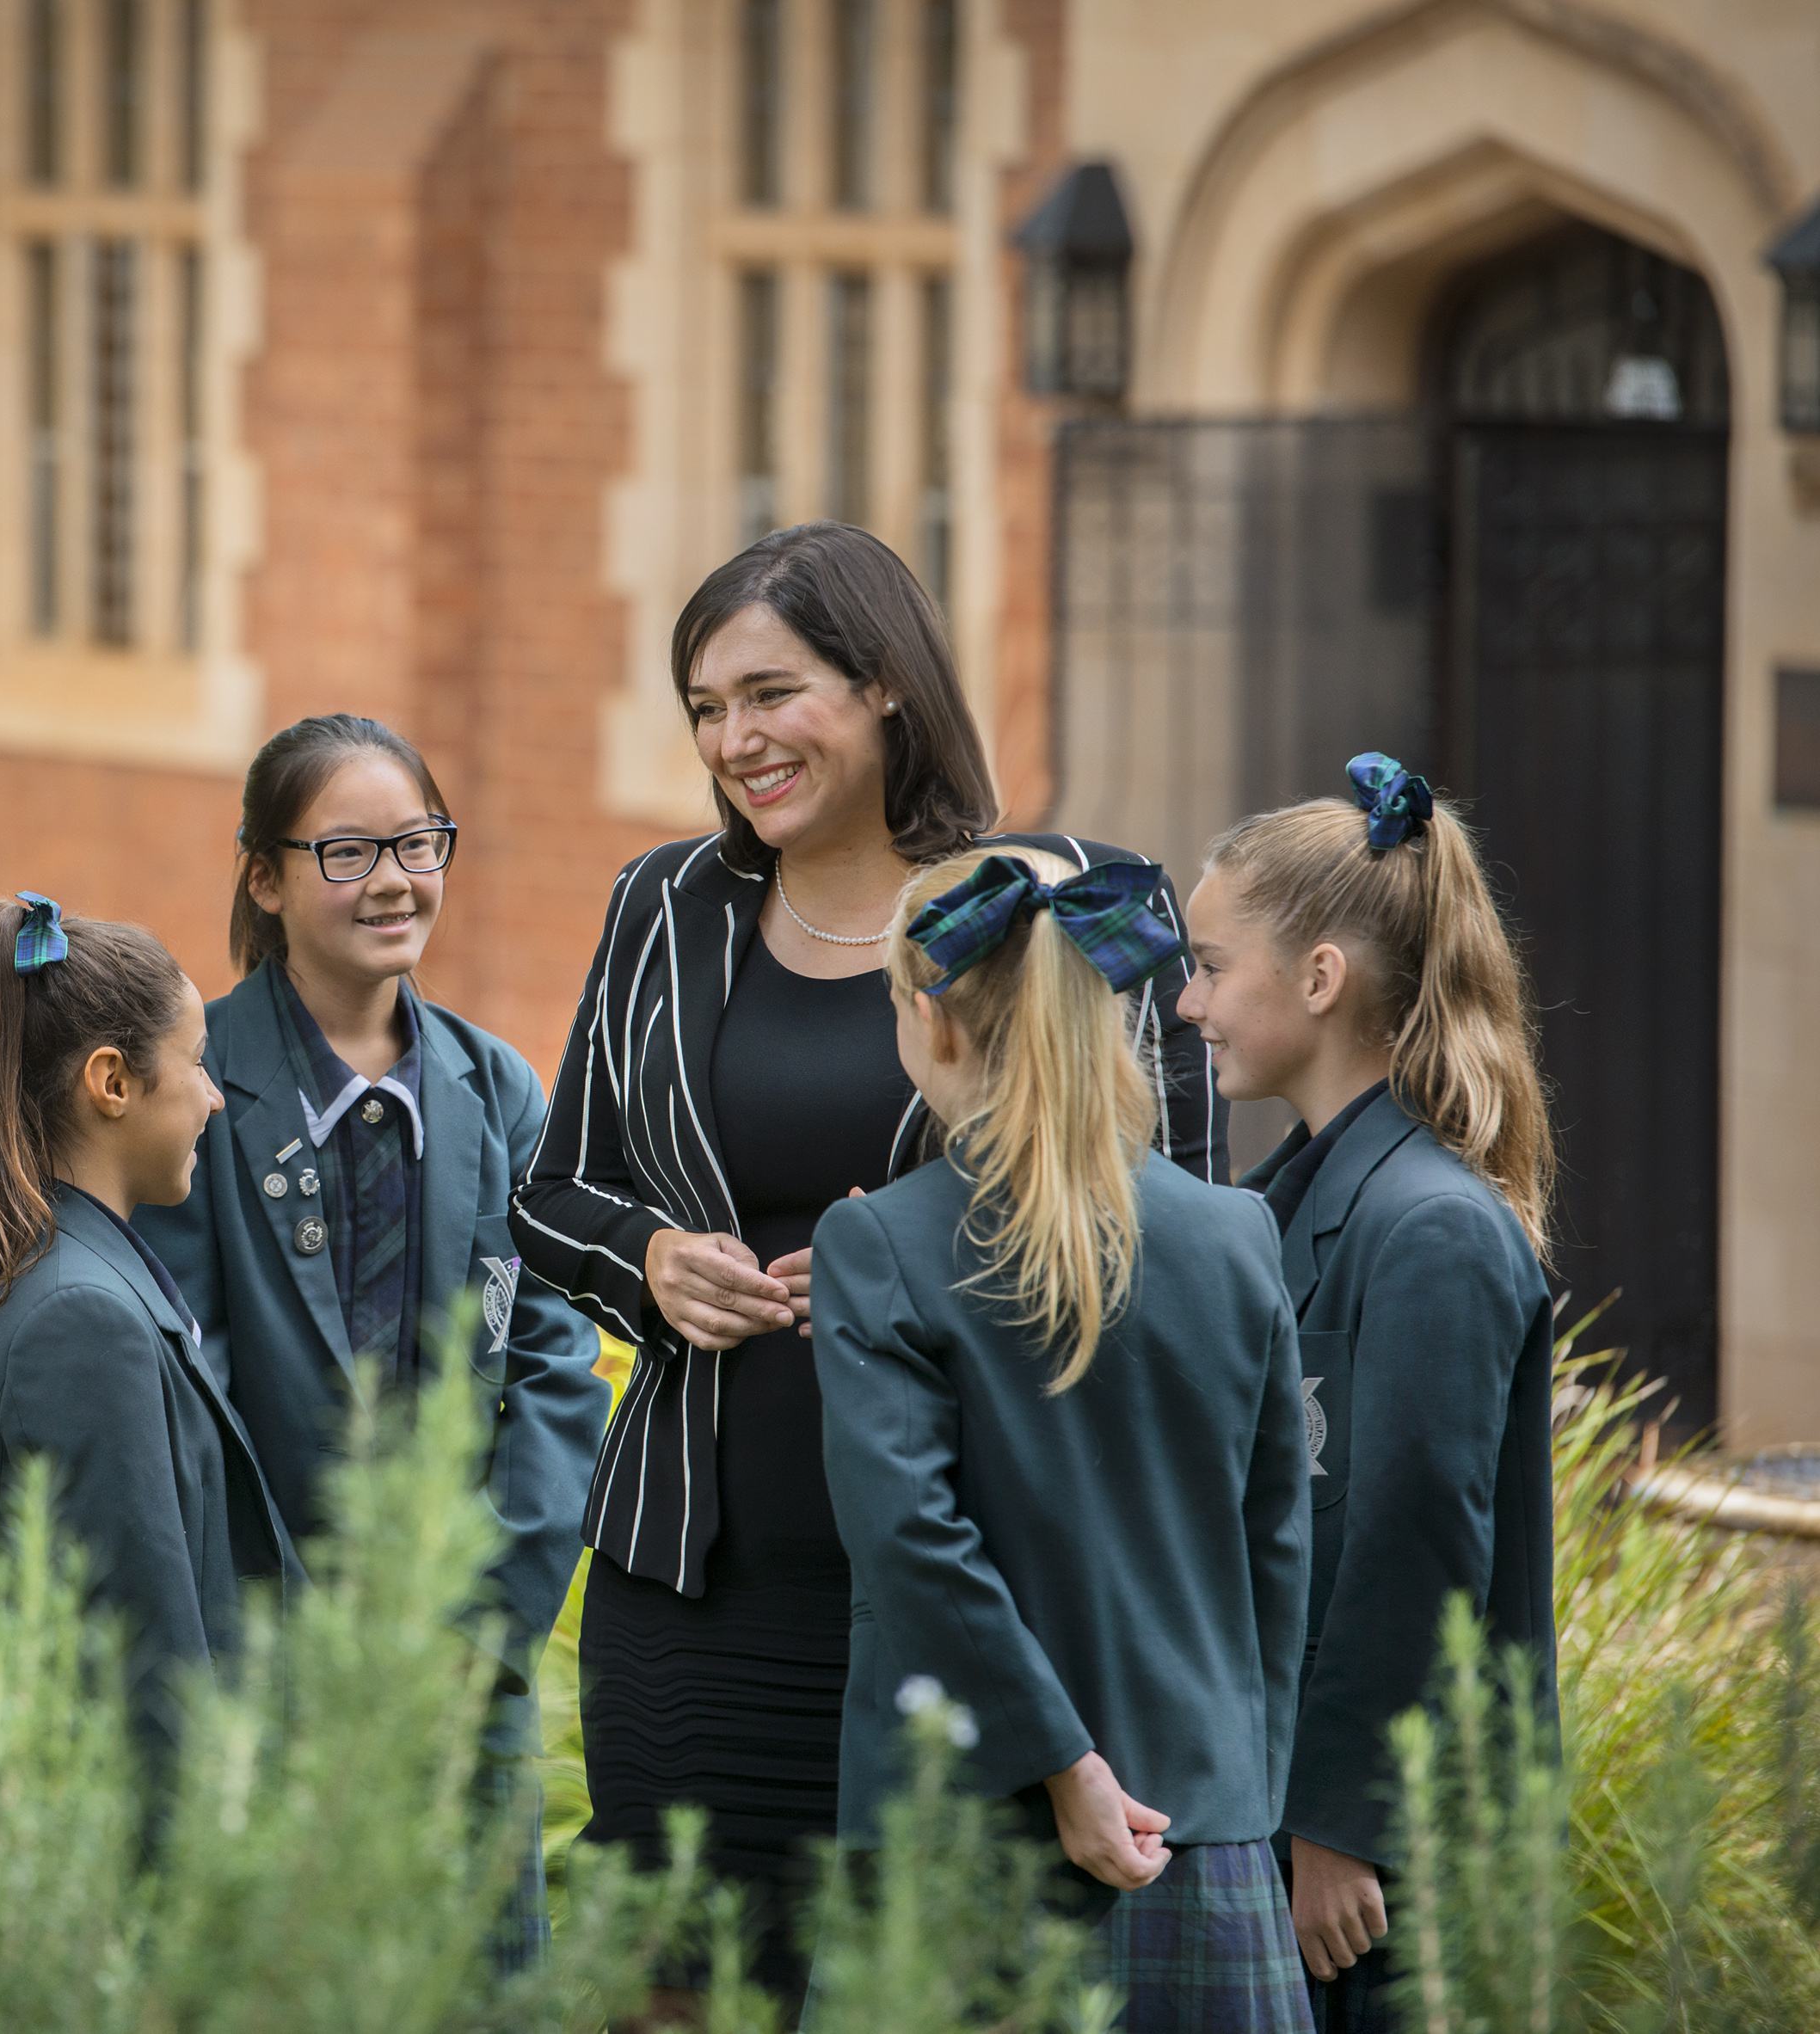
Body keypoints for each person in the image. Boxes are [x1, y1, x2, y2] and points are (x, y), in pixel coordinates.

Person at [509, 520, 1223, 2006]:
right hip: (691, 1591)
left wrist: (933, 1281)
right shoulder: (664, 907)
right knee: (682, 1987)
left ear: (885, 682)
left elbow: (1184, 1236)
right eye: (705, 708)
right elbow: (550, 1196)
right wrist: (648, 1265)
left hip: (981, 1600)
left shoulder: (1081, 902)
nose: (734, 740)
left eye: (771, 693)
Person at [813, 846, 1313, 2034]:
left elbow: (914, 1547)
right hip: (1200, 1832)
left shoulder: (878, 1243)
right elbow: (1277, 1546)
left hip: (967, 1833)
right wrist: (1238, 1784)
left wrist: (1064, 1769)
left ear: (929, 1016)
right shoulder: (1237, 1232)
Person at [135, 713, 608, 1958]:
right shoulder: (199, 1082)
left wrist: (481, 1622)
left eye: (416, 842)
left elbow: (555, 1367)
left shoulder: (496, 1088)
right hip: (268, 1664)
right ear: (264, 876)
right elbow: (190, 1377)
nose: (393, 879)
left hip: (460, 1675)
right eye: (346, 852)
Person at [1178, 753, 1556, 2034]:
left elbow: (1412, 1541)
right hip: (1290, 1817)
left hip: (1393, 1863)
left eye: (1210, 966)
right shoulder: (1283, 1208)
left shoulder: (1431, 1228)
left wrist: (1341, 1824)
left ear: (1320, 978)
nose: (1187, 1004)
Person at [0, 894, 297, 1754]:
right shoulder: (81, 1316)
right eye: (196, 1063)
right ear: (113, 1082)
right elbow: (141, 1674)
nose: (213, 1097)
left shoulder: (69, 1276)